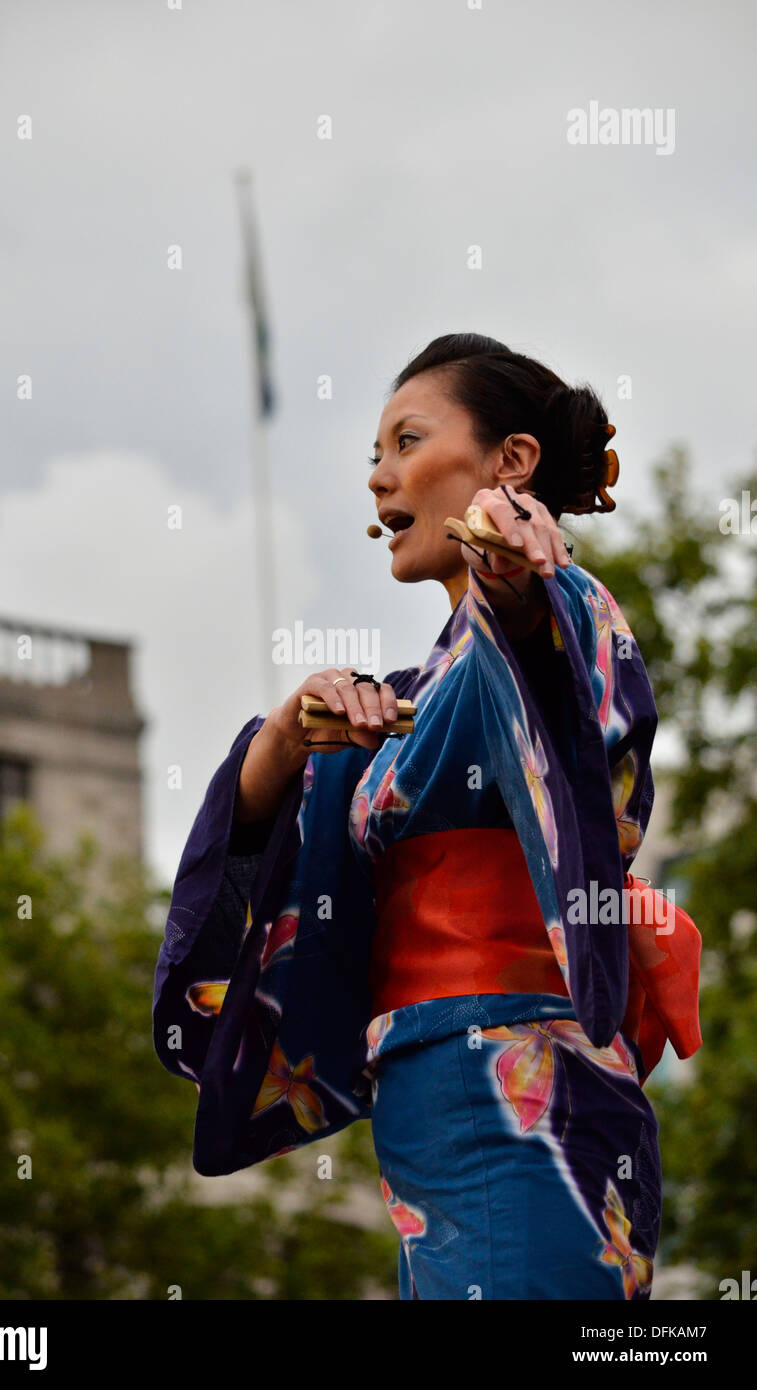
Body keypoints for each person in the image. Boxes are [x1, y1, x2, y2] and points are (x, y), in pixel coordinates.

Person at [152, 332, 702, 1300]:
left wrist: (516, 572)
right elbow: (258, 830)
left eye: (407, 441)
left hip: (522, 1078)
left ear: (512, 461)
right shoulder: (415, 692)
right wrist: (288, 737)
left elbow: (543, 661)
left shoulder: (556, 602)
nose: (380, 478)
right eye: (373, 456)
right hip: (435, 1089)